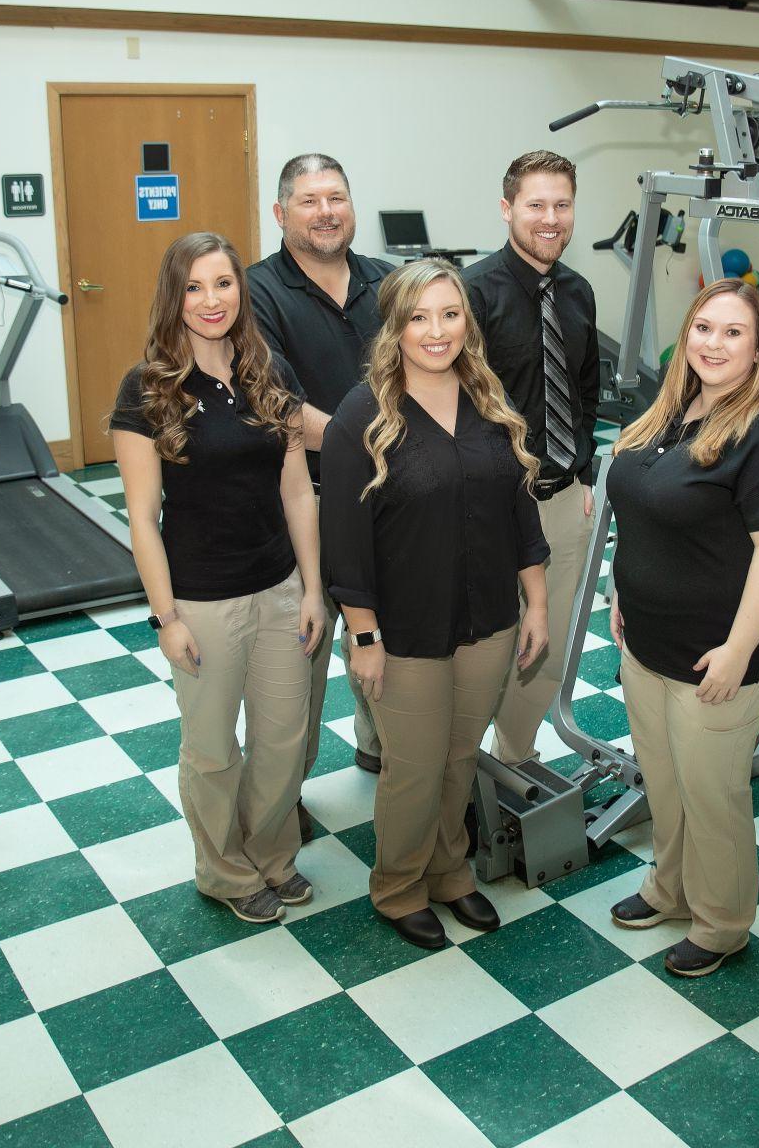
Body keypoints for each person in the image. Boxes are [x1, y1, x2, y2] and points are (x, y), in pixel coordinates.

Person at [321, 260, 551, 951]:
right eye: (418, 317)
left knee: (458, 758)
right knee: (414, 767)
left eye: (450, 314)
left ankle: (451, 873)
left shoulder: (486, 397)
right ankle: (398, 887)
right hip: (405, 626)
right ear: (393, 326)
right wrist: (363, 637)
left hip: (488, 617)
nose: (436, 330)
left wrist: (536, 602)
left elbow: (519, 508)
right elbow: (345, 544)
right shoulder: (360, 416)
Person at [112, 232, 325, 925]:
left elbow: (298, 491)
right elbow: (143, 518)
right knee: (211, 749)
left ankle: (271, 856)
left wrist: (314, 589)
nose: (212, 301)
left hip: (279, 586)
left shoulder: (270, 371)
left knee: (284, 738)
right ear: (175, 296)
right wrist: (165, 618)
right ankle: (224, 872)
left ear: (242, 290)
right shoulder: (148, 388)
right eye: (195, 287)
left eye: (224, 284)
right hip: (202, 598)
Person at [605, 279, 759, 978]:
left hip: (721, 654)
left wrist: (739, 651)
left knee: (711, 793)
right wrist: (618, 590)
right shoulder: (666, 412)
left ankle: (723, 923)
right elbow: (637, 512)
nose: (713, 344)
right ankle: (671, 887)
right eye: (703, 328)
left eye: (733, 334)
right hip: (648, 641)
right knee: (663, 781)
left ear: (757, 354)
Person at [249, 154, 394, 803]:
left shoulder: (388, 283)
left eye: (336, 196)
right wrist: (364, 442)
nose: (326, 211)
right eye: (309, 200)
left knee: (385, 637)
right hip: (298, 501)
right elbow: (272, 400)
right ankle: (281, 803)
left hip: (386, 501)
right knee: (298, 661)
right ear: (281, 214)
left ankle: (382, 749)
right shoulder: (256, 291)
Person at [465, 151, 599, 766]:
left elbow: (586, 389)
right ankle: (457, 773)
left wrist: (586, 471)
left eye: (562, 205)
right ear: (506, 209)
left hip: (564, 498)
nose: (551, 219)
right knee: (485, 649)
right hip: (493, 507)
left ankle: (514, 760)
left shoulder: (579, 292)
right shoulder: (472, 295)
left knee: (550, 643)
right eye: (536, 205)